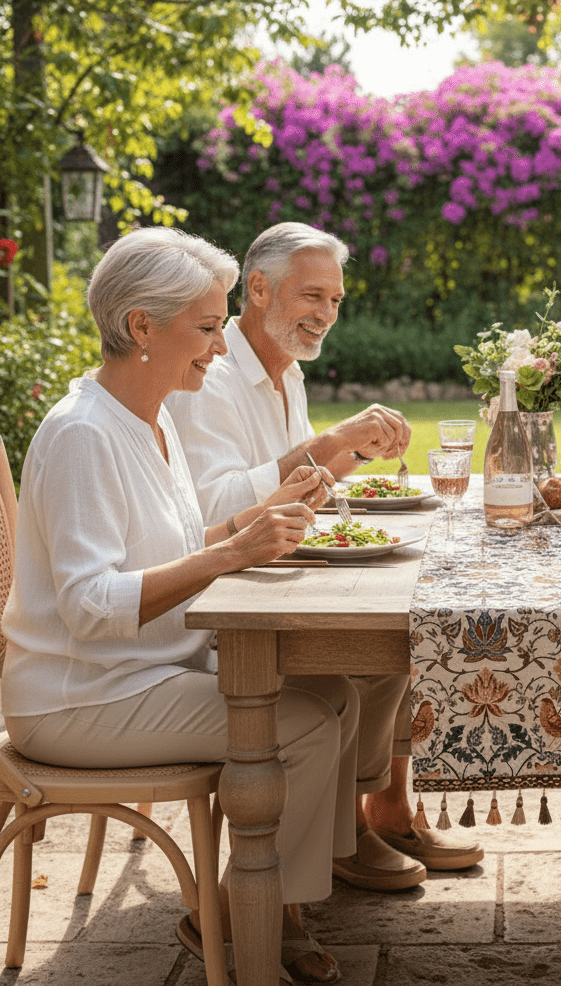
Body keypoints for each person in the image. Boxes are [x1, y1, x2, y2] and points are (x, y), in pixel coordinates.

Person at [0, 227, 354, 984]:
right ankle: (246, 917)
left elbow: (185, 542)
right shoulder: (82, 435)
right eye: (206, 328)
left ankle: (273, 900)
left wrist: (260, 517)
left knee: (332, 691)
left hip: (143, 673)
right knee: (305, 724)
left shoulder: (149, 419)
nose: (220, 347)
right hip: (79, 698)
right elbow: (90, 605)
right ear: (141, 327)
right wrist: (232, 554)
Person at [165, 222, 483, 885]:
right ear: (258, 289)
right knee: (376, 648)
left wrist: (351, 452)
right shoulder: (208, 377)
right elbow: (213, 509)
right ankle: (349, 834)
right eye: (312, 296)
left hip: (273, 573)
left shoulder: (286, 374)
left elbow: (303, 483)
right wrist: (332, 441)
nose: (327, 314)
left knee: (410, 619)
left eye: (335, 300)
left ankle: (382, 814)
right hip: (217, 606)